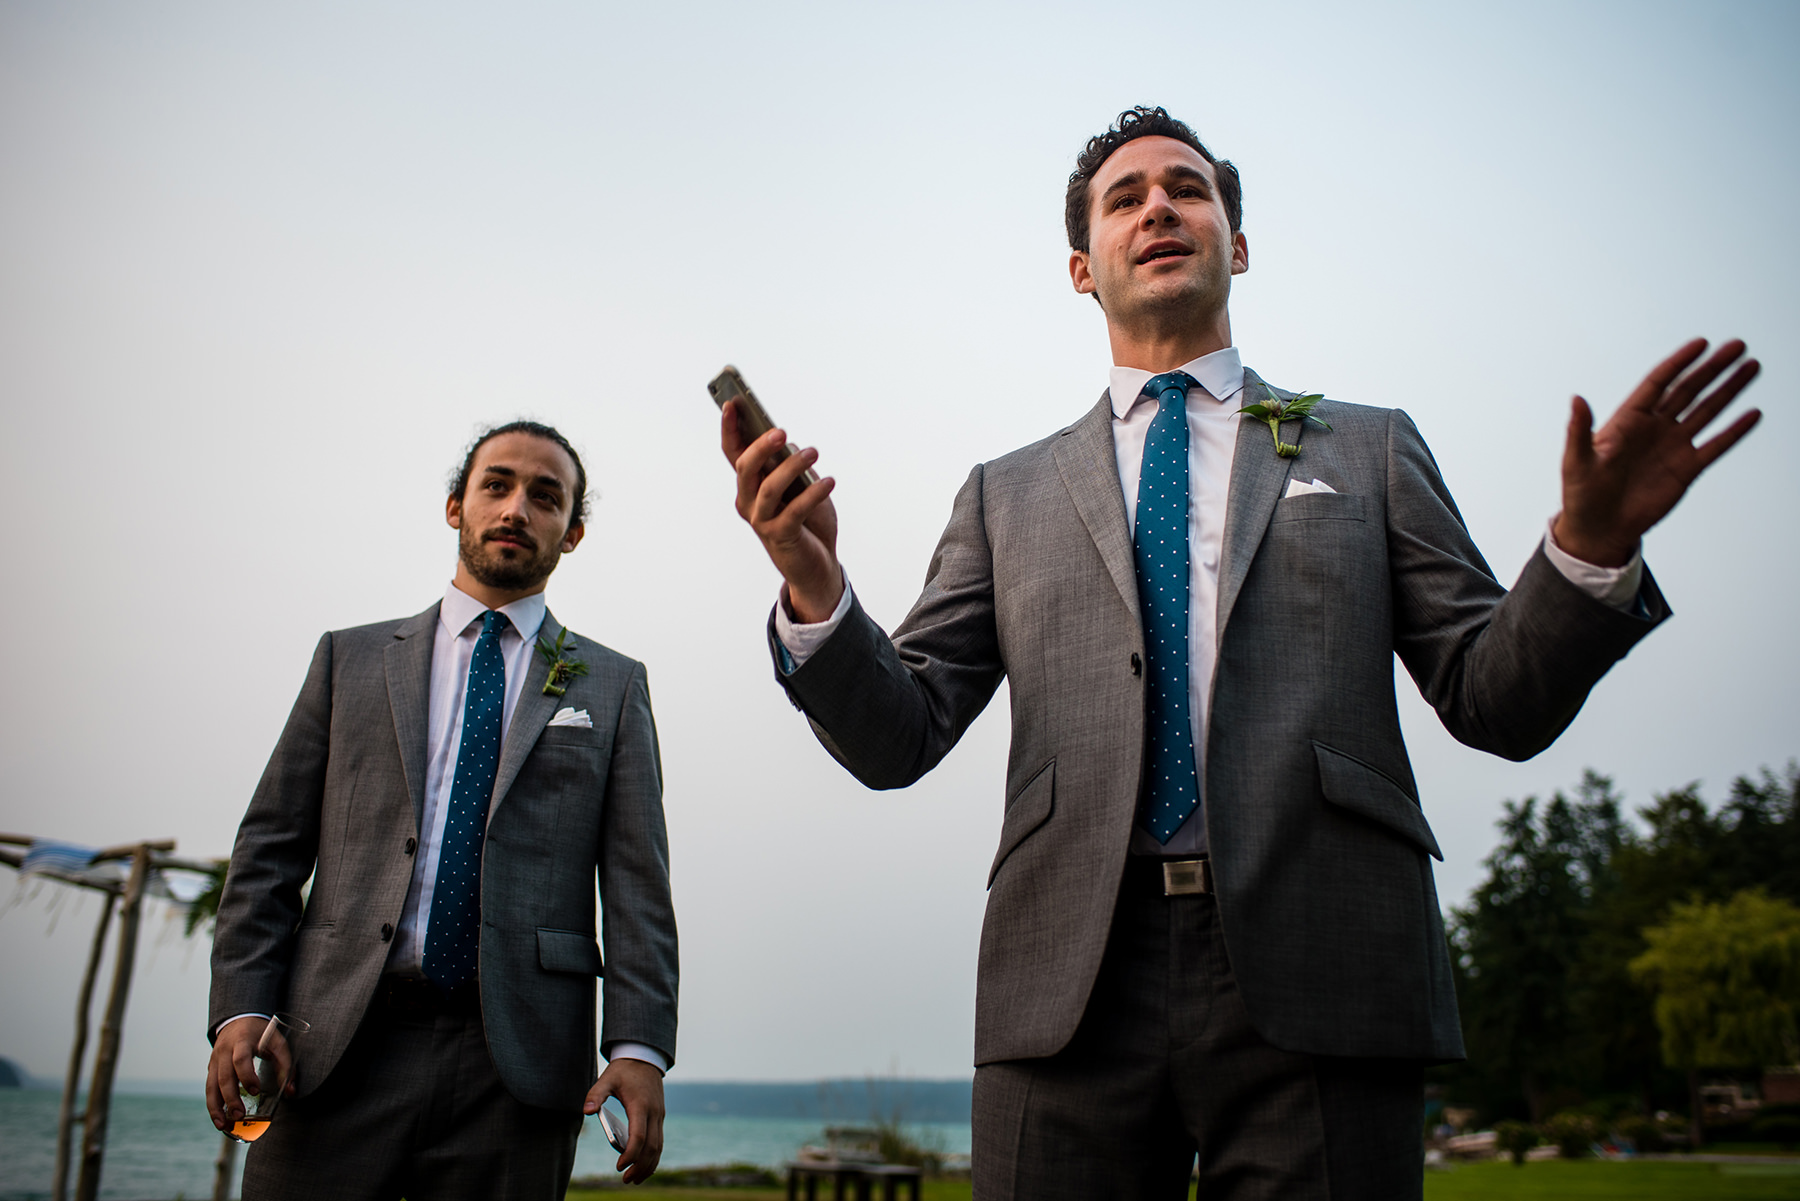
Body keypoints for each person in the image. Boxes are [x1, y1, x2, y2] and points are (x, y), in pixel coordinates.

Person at [721, 107, 1761, 1199]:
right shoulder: (1005, 494)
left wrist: (1588, 550)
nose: (1158, 206)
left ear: (1239, 243)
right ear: (1081, 267)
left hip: (1329, 958)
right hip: (1067, 976)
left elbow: (1492, 697)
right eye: (1125, 199)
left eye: (1187, 188)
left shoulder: (1369, 446)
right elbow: (902, 733)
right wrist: (814, 585)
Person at [206, 421, 677, 1199]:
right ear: (456, 505)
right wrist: (240, 1008)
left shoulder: (612, 685)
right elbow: (268, 852)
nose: (517, 508)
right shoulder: (347, 660)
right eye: (497, 485)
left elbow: (638, 886)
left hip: (517, 1064)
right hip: (331, 1046)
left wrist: (638, 1046)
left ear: (574, 533)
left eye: (545, 496)